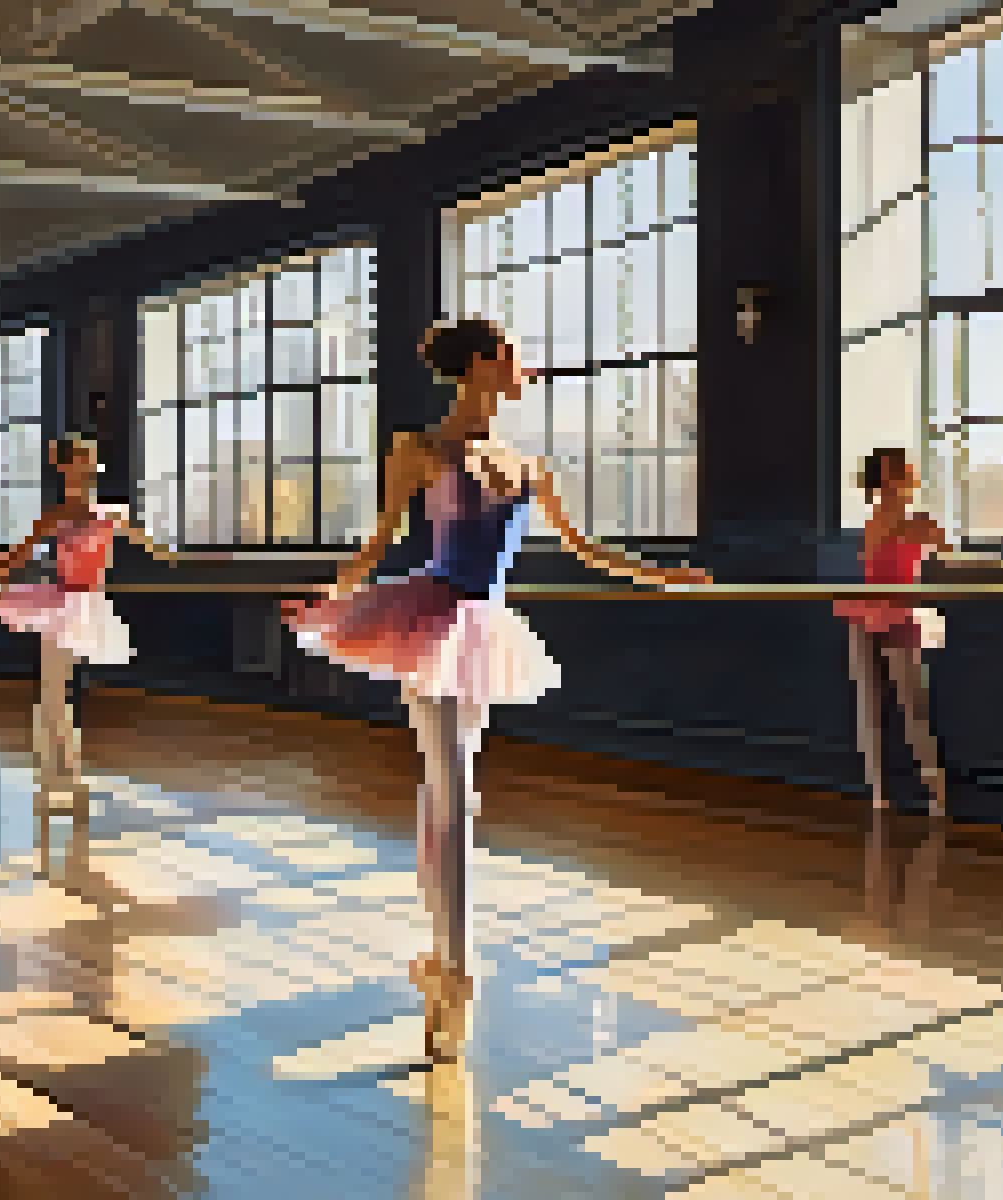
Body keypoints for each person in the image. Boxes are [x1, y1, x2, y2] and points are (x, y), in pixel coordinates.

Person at [283, 317, 712, 1059]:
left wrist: (664, 574)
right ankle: (456, 966)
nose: (523, 369)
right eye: (513, 356)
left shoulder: (528, 463)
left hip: (484, 629)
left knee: (458, 789)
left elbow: (584, 550)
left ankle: (444, 959)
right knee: (448, 781)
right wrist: (333, 592)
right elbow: (379, 544)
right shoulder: (417, 451)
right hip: (427, 613)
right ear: (482, 366)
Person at [0, 436, 185, 794]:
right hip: (57, 603)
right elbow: (14, 557)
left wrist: (176, 551)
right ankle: (55, 773)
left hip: (87, 606)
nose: (84, 469)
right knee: (54, 691)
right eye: (76, 463)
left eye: (89, 462)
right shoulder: (55, 516)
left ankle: (66, 772)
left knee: (61, 691)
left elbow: (155, 546)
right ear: (64, 470)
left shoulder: (112, 513)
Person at [835, 447, 949, 816]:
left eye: (897, 475)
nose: (891, 484)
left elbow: (949, 556)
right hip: (866, 613)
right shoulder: (871, 524)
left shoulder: (920, 523)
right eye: (886, 477)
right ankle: (879, 794)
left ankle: (936, 793)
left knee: (913, 707)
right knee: (869, 708)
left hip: (900, 615)